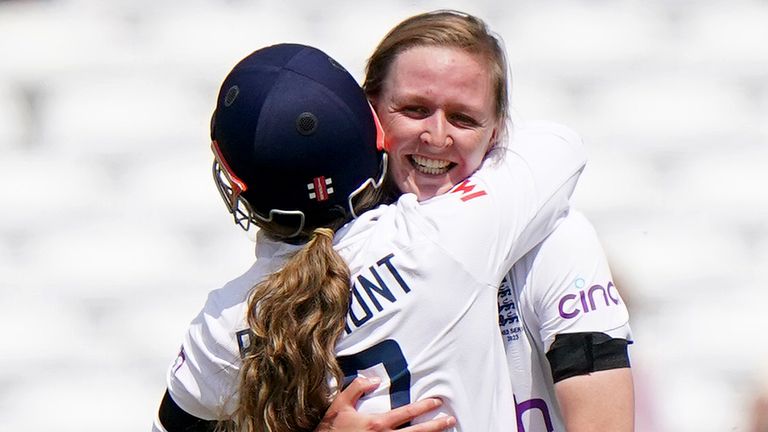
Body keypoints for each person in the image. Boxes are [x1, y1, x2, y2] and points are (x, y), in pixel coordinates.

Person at [151, 42, 586, 432]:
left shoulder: (224, 325)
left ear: (238, 186)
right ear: (376, 133)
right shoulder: (445, 234)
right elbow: (561, 145)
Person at [319, 10, 635, 432]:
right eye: (414, 109)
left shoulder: (558, 239)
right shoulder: (325, 250)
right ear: (372, 112)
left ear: (497, 131)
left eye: (463, 118)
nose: (436, 136)